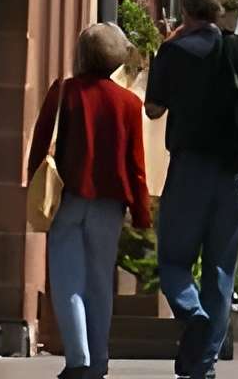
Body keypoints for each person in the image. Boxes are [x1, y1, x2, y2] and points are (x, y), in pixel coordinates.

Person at [145, 0, 238, 376]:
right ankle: (202, 367)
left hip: (190, 170)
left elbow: (152, 109)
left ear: (185, 11)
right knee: (221, 272)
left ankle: (192, 313)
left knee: (173, 262)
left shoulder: (174, 52)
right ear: (219, 10)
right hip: (234, 173)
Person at [29, 21, 153, 379]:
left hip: (68, 197)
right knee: (100, 282)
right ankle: (98, 360)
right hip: (109, 203)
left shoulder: (63, 91)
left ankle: (78, 359)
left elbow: (40, 144)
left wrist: (34, 185)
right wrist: (141, 212)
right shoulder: (129, 103)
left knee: (68, 281)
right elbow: (136, 162)